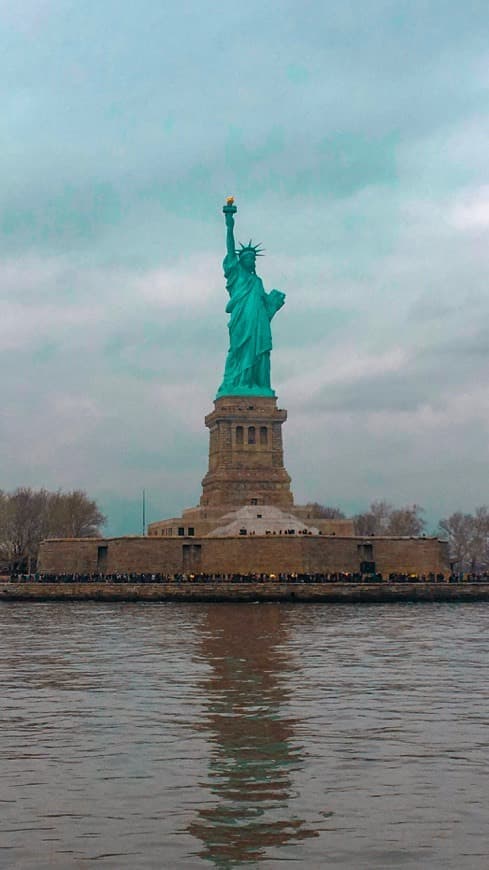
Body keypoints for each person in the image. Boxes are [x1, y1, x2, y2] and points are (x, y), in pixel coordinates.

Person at [217, 199, 285, 397]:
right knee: (239, 349)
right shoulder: (236, 274)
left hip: (258, 324)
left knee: (259, 351)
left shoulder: (258, 282)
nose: (250, 260)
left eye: (252, 258)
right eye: (246, 258)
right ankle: (241, 382)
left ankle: (256, 383)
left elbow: (266, 308)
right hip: (241, 320)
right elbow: (230, 249)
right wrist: (229, 223)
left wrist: (275, 304)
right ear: (240, 260)